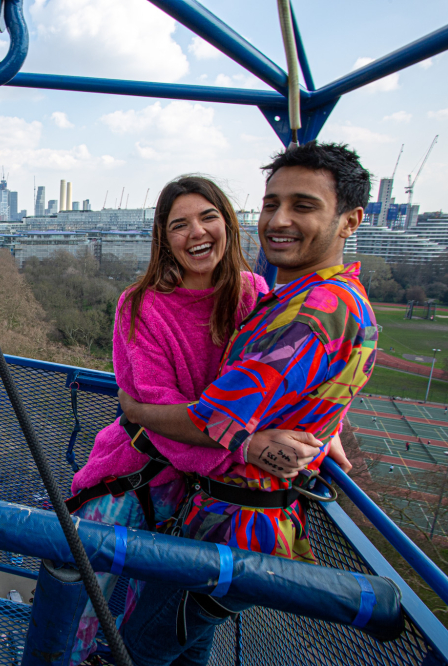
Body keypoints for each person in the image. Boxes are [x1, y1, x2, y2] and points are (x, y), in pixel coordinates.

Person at [118, 142, 374, 665]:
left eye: (303, 206)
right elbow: (315, 384)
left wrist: (137, 412)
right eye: (271, 204)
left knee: (130, 651)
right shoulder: (310, 299)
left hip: (233, 531)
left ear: (350, 221)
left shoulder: (310, 312)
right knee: (185, 650)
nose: (279, 220)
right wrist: (327, 425)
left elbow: (210, 420)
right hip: (236, 522)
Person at [65, 175, 293, 665]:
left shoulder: (253, 294)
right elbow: (158, 411)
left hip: (204, 493)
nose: (196, 232)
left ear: (228, 224)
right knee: (82, 598)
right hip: (136, 474)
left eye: (208, 217)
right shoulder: (142, 304)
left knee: (178, 617)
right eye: (179, 225)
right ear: (164, 240)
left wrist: (324, 429)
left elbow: (288, 374)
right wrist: (246, 448)